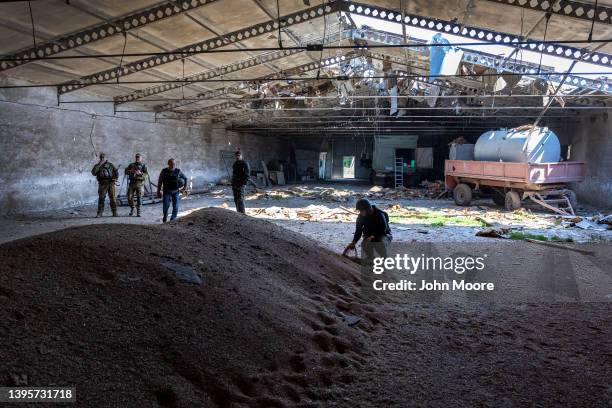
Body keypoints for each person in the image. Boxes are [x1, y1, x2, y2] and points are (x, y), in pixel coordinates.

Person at [156, 158, 187, 223]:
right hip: (166, 191)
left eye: (174, 164)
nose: (173, 165)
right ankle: (165, 218)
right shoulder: (164, 171)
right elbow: (160, 181)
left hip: (176, 191)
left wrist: (184, 188)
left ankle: (172, 219)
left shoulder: (178, 171)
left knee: (175, 206)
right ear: (168, 164)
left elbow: (185, 178)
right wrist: (158, 191)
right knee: (166, 206)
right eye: (171, 163)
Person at [91, 153, 119, 217]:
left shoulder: (110, 165)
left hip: (111, 183)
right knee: (101, 198)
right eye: (101, 157)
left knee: (113, 198)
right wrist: (99, 165)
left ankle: (114, 212)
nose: (102, 158)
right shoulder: (98, 165)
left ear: (106, 158)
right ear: (100, 158)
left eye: (103, 157)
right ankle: (100, 212)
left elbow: (116, 172)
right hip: (102, 184)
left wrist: (115, 178)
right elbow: (94, 173)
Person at [231, 150, 250, 214]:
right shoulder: (235, 164)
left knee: (240, 200)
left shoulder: (244, 163)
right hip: (235, 184)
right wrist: (233, 183)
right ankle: (238, 213)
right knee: (236, 199)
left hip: (241, 185)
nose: (237, 157)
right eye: (236, 156)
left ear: (241, 156)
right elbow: (234, 174)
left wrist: (243, 184)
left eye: (239, 155)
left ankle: (242, 213)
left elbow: (247, 175)